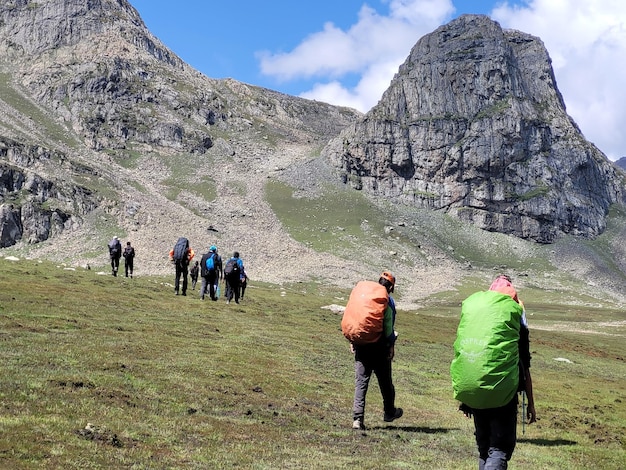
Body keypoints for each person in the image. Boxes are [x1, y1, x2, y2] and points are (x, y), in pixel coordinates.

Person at [451, 274, 536, 470]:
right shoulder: (515, 318)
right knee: (499, 448)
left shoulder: (477, 317)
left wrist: (466, 399)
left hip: (474, 392)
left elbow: (467, 358)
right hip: (503, 394)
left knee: (484, 448)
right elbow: (525, 364)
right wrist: (531, 404)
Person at [349, 271, 402, 430]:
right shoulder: (388, 301)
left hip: (362, 345)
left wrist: (353, 340)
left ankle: (357, 419)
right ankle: (389, 412)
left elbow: (355, 318)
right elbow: (387, 328)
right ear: (391, 287)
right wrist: (391, 344)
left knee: (361, 383)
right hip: (379, 348)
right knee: (386, 383)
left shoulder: (364, 297)